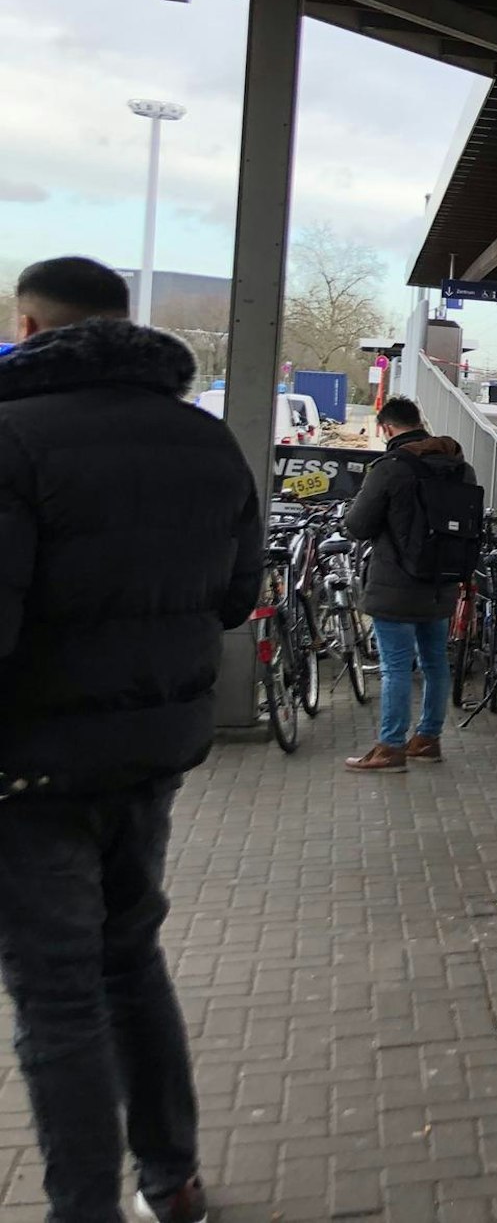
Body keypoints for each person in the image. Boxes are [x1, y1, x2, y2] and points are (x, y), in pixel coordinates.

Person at [0, 257, 262, 1223]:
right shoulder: (206, 440)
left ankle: (84, 1209)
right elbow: (238, 597)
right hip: (152, 755)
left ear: (27, 329)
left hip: (26, 772)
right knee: (131, 961)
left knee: (58, 999)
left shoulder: (11, 438)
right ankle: (173, 1180)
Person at [342, 396, 475, 771]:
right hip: (442, 582)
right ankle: (428, 740)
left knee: (396, 667)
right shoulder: (461, 468)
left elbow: (358, 526)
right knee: (436, 663)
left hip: (395, 585)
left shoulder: (391, 468)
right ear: (420, 422)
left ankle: (391, 746)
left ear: (386, 428)